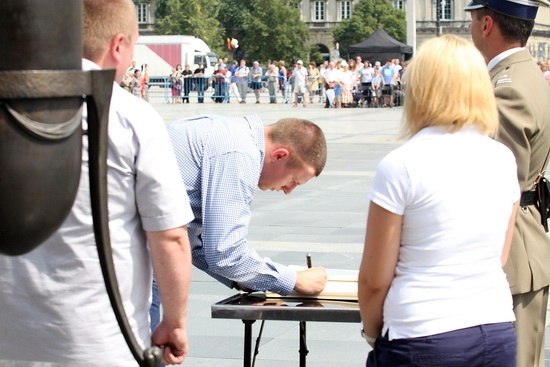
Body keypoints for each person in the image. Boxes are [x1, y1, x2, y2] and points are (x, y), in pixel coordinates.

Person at [0, 0, 194, 366]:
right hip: (96, 338)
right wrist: (174, 321)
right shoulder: (132, 116)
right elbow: (169, 236)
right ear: (118, 45)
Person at [358, 35, 519, 366]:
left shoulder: (402, 163)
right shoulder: (502, 158)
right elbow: (500, 254)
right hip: (495, 322)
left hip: (423, 331)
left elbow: (374, 279)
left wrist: (373, 334)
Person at [150, 115, 329, 331]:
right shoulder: (240, 154)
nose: (288, 191)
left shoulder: (232, 133)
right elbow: (225, 253)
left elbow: (194, 243)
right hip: (133, 268)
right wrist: (294, 281)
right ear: (280, 155)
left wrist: (245, 280)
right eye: (293, 181)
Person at [465, 1, 550, 366]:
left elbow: (502, 189)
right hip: (521, 245)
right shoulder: (524, 74)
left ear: (486, 24)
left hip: (509, 253)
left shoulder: (506, 91)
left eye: (471, 21)